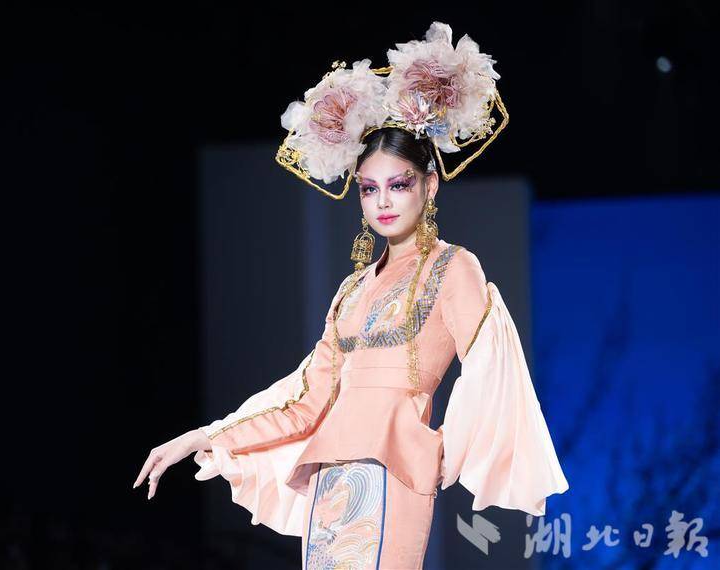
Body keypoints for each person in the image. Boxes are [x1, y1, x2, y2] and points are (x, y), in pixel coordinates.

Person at [132, 21, 568, 569]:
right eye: (369, 188)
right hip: (328, 482)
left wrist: (441, 451)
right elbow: (305, 403)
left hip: (394, 473)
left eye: (399, 184)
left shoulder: (454, 268)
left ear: (430, 185)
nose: (383, 202)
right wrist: (201, 437)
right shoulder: (353, 289)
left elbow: (488, 370)